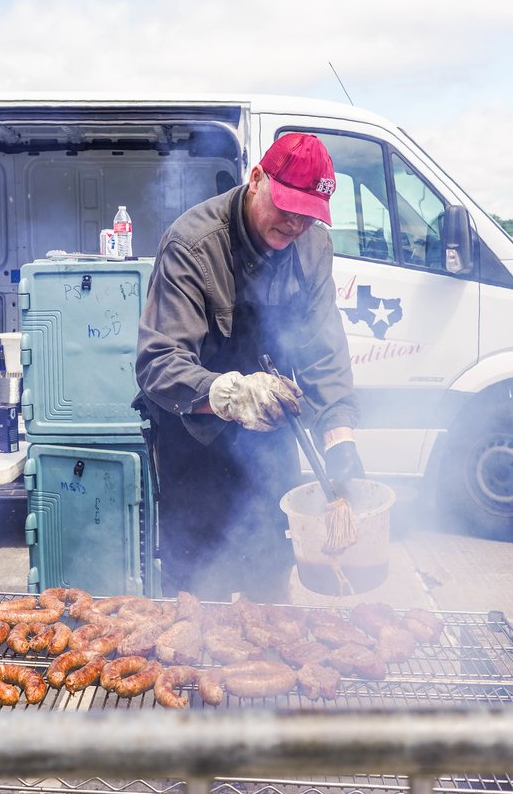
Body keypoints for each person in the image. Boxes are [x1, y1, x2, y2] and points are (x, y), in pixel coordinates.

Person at [136, 133, 363, 602]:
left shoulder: (313, 248)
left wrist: (339, 437)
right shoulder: (193, 243)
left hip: (272, 436)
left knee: (270, 581)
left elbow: (324, 352)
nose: (296, 224)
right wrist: (232, 395)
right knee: (197, 592)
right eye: (286, 207)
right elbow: (159, 362)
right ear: (256, 178)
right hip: (194, 442)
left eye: (308, 215)